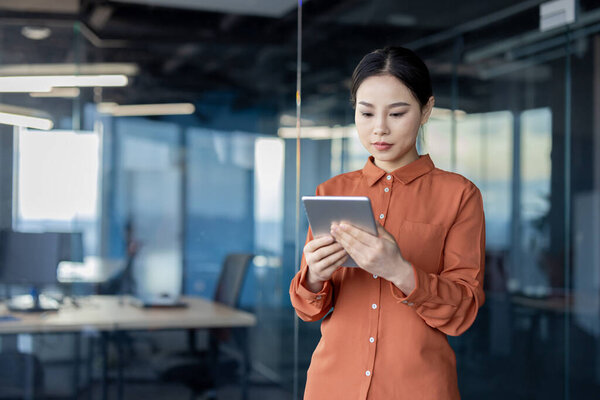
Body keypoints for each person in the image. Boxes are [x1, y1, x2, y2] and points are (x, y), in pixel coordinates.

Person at [289, 46, 485, 399]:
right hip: (332, 386)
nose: (379, 128)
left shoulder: (459, 195)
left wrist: (399, 270)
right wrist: (314, 276)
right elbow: (307, 308)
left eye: (397, 113)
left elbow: (463, 312)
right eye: (366, 113)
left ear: (426, 110)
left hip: (418, 388)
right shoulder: (332, 191)